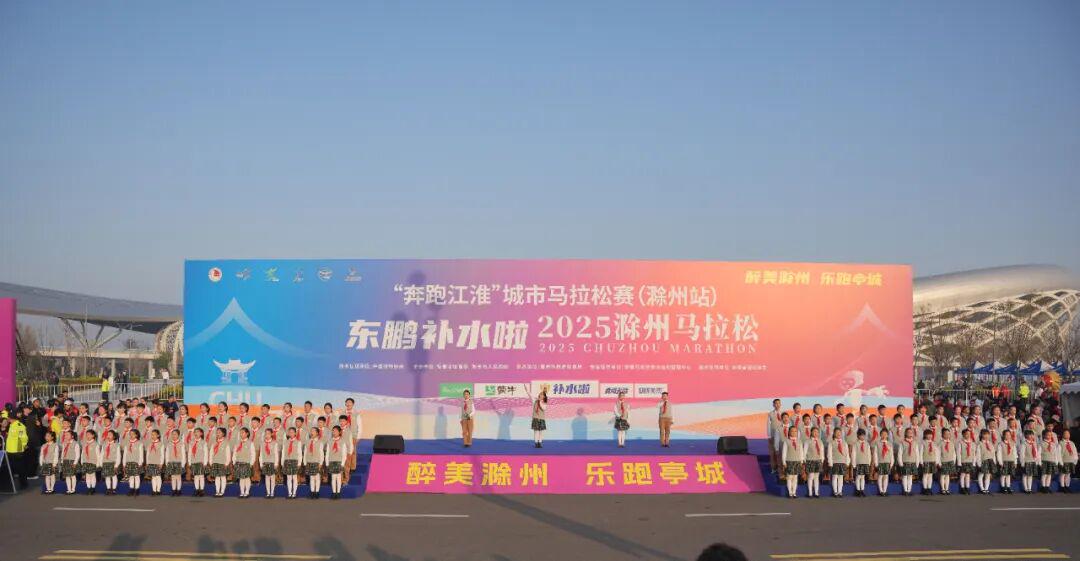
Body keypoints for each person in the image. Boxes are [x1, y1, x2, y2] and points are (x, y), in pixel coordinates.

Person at [5, 414, 29, 489]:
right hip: (10, 450)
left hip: (17, 450)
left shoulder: (19, 426)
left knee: (20, 468)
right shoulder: (11, 425)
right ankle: (11, 485)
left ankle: (24, 484)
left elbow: (23, 437)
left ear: (11, 418)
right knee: (11, 468)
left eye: (8, 418)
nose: (7, 419)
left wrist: (24, 445)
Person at [779, 426, 803, 498]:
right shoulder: (786, 441)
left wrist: (801, 460)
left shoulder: (799, 441)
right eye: (792, 431)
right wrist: (784, 462)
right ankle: (790, 492)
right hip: (789, 461)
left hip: (797, 461)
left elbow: (801, 452)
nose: (794, 432)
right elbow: (784, 452)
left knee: (795, 477)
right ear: (789, 432)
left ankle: (794, 492)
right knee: (789, 477)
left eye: (795, 431)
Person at [326, 425, 349, 499]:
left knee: (338, 478)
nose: (334, 432)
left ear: (339, 432)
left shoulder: (342, 442)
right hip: (331, 461)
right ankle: (334, 492)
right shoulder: (330, 441)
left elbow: (344, 454)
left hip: (339, 461)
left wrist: (342, 463)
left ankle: (338, 492)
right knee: (333, 478)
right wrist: (327, 463)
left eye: (335, 431)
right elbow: (327, 453)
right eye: (333, 431)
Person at [233, 427, 256, 499]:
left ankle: (247, 492)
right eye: (240, 433)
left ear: (247, 434)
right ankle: (242, 492)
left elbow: (253, 454)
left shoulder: (250, 443)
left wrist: (251, 463)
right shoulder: (237, 443)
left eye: (243, 432)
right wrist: (234, 461)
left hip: (246, 463)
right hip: (239, 462)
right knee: (241, 478)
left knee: (247, 478)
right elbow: (235, 453)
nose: (241, 434)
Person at [209, 427, 231, 498]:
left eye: (219, 432)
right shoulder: (214, 443)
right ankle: (217, 491)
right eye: (217, 432)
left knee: (223, 477)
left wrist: (227, 463)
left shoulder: (226, 443)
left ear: (223, 434)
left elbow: (228, 454)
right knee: (217, 477)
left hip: (222, 463)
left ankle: (222, 491)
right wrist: (211, 462)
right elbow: (211, 453)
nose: (217, 434)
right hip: (215, 462)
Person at [898, 427, 920, 496]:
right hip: (905, 462)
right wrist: (900, 462)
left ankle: (909, 490)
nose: (910, 433)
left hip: (912, 462)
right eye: (908, 432)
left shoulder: (915, 443)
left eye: (911, 432)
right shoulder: (902, 443)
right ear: (905, 433)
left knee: (910, 477)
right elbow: (900, 453)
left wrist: (917, 462)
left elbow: (917, 453)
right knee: (905, 476)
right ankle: (905, 490)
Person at [304, 427, 325, 499]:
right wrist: (305, 462)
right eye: (311, 431)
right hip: (309, 461)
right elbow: (305, 452)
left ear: (317, 433)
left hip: (316, 461)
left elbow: (321, 453)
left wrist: (321, 463)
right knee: (311, 477)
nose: (311, 432)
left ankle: (317, 492)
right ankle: (312, 492)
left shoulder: (320, 442)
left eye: (313, 431)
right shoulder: (307, 442)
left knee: (317, 477)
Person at [282, 427, 303, 499]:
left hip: (294, 461)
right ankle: (289, 493)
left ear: (295, 433)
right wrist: (282, 462)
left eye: (292, 432)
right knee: (288, 478)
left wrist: (299, 463)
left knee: (294, 477)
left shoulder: (298, 442)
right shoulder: (285, 442)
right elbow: (283, 453)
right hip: (287, 460)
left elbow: (299, 453)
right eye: (289, 432)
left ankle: (294, 493)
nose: (291, 433)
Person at [803, 426, 824, 498]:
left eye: (817, 432)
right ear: (811, 432)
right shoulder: (807, 441)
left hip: (818, 460)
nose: (815, 433)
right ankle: (810, 493)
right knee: (810, 476)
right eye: (814, 431)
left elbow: (822, 451)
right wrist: (804, 460)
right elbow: (805, 452)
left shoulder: (820, 441)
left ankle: (816, 492)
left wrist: (822, 460)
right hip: (810, 460)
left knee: (816, 477)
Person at [851, 428, 872, 497]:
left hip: (865, 462)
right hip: (858, 462)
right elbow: (853, 454)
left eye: (863, 435)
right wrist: (854, 463)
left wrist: (869, 462)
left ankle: (862, 490)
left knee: (863, 477)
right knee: (858, 477)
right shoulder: (855, 444)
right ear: (858, 436)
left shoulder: (867, 444)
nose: (862, 437)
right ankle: (858, 490)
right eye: (861, 435)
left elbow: (869, 454)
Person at [165, 429, 186, 496]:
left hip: (179, 462)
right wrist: (167, 462)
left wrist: (183, 463)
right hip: (171, 462)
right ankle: (173, 490)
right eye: (172, 434)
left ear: (178, 435)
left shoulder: (181, 444)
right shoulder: (169, 444)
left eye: (175, 434)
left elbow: (183, 454)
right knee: (173, 477)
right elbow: (167, 453)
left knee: (178, 477)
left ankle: (178, 490)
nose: (173, 436)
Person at [59, 430, 81, 495]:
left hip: (72, 461)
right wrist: (62, 460)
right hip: (65, 461)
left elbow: (77, 454)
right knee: (67, 476)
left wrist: (75, 462)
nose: (66, 436)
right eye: (65, 435)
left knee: (72, 475)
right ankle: (68, 489)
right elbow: (63, 452)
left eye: (68, 435)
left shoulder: (75, 444)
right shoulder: (64, 443)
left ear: (72, 436)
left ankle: (73, 489)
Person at [124, 428, 144, 496]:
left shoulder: (139, 443)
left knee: (136, 476)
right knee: (131, 476)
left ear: (136, 435)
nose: (131, 435)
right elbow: (125, 454)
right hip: (129, 462)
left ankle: (137, 489)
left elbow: (141, 454)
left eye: (133, 434)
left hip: (136, 462)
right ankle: (131, 489)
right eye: (130, 434)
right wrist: (124, 463)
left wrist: (140, 462)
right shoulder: (127, 443)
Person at [260, 428, 280, 498]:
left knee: (272, 478)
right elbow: (261, 454)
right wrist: (261, 463)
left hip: (272, 462)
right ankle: (268, 493)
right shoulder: (262, 443)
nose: (267, 435)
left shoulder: (275, 443)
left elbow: (276, 454)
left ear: (271, 434)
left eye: (268, 433)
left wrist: (276, 463)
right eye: (266, 433)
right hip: (265, 462)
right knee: (267, 478)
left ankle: (272, 492)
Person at [874, 428, 894, 496]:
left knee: (886, 476)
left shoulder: (889, 444)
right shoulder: (877, 443)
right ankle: (881, 491)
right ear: (880, 435)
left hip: (887, 462)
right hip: (880, 462)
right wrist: (876, 463)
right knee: (880, 476)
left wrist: (891, 462)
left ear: (887, 435)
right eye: (882, 434)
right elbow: (875, 454)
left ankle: (885, 490)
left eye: (885, 434)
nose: (884, 435)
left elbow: (891, 454)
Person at [145, 429, 165, 496]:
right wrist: (147, 462)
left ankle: (158, 490)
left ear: (158, 435)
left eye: (154, 434)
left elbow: (162, 454)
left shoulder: (161, 444)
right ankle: (154, 490)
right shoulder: (150, 444)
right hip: (151, 462)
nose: (152, 436)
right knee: (153, 477)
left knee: (158, 476)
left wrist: (161, 463)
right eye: (152, 435)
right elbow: (148, 454)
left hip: (158, 462)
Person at [189, 427, 208, 497]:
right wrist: (189, 462)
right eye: (195, 432)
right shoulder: (191, 442)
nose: (196, 433)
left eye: (197, 432)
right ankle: (197, 489)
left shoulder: (203, 442)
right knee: (196, 476)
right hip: (194, 461)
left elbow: (206, 453)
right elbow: (190, 453)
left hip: (201, 462)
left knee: (201, 476)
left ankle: (202, 490)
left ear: (201, 433)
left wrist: (205, 462)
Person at [977, 429, 997, 495]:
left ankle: (986, 488)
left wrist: (994, 461)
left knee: (988, 475)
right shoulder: (980, 444)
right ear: (981, 435)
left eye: (987, 434)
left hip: (990, 461)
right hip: (983, 461)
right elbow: (978, 454)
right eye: (984, 434)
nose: (986, 436)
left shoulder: (990, 443)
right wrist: (979, 463)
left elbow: (993, 453)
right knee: (981, 475)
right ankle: (982, 488)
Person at [1019, 429, 1040, 494]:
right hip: (1026, 461)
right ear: (1026, 436)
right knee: (1025, 475)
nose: (1031, 436)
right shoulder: (1024, 444)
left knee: (1030, 475)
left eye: (1032, 435)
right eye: (1029, 435)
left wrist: (1036, 461)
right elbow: (1022, 454)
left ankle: (1029, 488)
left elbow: (1036, 453)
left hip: (1033, 461)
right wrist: (1022, 462)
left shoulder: (1034, 443)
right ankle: (1025, 488)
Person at [1040, 429, 1061, 494]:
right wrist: (1039, 462)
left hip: (1052, 461)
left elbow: (1055, 453)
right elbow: (1038, 453)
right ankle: (1043, 487)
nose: (1049, 436)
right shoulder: (1041, 443)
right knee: (1044, 474)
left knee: (1049, 474)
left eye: (1050, 435)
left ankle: (1047, 487)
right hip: (1044, 460)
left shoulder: (1053, 444)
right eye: (1047, 435)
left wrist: (1056, 461)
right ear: (1044, 435)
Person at [80, 429, 100, 495]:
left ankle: (93, 488)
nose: (87, 436)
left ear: (93, 435)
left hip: (93, 462)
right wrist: (82, 461)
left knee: (92, 475)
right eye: (86, 435)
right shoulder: (84, 443)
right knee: (87, 475)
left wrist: (98, 463)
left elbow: (98, 455)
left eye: (89, 435)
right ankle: (88, 488)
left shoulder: (96, 444)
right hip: (86, 462)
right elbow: (82, 453)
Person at [958, 428, 977, 495]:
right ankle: (962, 488)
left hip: (970, 461)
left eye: (969, 434)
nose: (968, 435)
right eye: (966, 434)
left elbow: (974, 453)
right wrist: (959, 462)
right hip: (963, 461)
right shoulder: (960, 443)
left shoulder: (973, 443)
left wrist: (974, 462)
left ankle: (967, 487)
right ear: (963, 435)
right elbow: (959, 453)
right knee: (963, 475)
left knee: (968, 475)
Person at [938, 427, 957, 495]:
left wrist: (953, 461)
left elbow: (954, 453)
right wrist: (939, 462)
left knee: (947, 475)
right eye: (945, 434)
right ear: (942, 435)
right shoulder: (940, 443)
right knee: (943, 475)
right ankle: (943, 489)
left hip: (950, 461)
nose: (947, 435)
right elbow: (938, 454)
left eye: (948, 434)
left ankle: (947, 488)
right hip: (943, 461)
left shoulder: (951, 443)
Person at [998, 428, 1017, 494]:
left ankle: (1008, 487)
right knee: (1003, 475)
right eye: (1006, 435)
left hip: (1011, 461)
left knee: (1008, 475)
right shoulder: (1001, 444)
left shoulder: (1012, 443)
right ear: (1003, 436)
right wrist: (1000, 462)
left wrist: (1015, 462)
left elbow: (1014, 453)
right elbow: (999, 454)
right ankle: (1003, 487)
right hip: (1004, 461)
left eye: (1009, 435)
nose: (1008, 436)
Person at [919, 429, 938, 495]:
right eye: (928, 434)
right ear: (925, 435)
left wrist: (936, 461)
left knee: (930, 475)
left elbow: (936, 453)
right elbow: (921, 453)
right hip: (925, 461)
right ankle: (925, 489)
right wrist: (921, 462)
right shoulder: (923, 443)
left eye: (931, 434)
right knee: (925, 475)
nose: (930, 436)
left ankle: (929, 488)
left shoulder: (934, 443)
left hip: (932, 461)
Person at [1060, 429, 1076, 494]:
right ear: (1063, 435)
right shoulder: (1061, 443)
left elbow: (1074, 451)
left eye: (1068, 434)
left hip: (1071, 460)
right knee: (1063, 474)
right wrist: (1060, 461)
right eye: (1065, 433)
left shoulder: (1072, 443)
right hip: (1064, 460)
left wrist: (1075, 460)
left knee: (1068, 474)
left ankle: (1067, 486)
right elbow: (1059, 453)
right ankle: (1062, 487)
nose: (1067, 435)